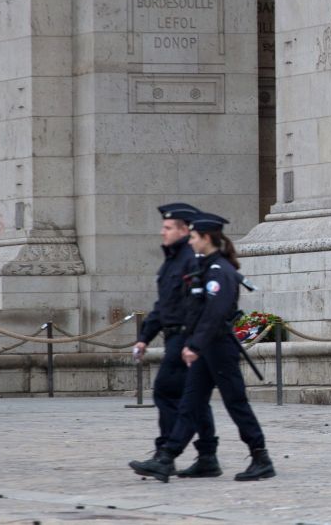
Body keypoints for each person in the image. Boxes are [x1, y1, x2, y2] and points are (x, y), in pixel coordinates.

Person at [129, 212, 275, 483]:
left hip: (218, 347)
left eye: (194, 237)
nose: (191, 242)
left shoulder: (219, 271)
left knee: (235, 403)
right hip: (206, 348)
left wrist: (194, 345)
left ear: (206, 238)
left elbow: (215, 313)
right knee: (190, 403)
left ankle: (260, 456)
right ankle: (167, 458)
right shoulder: (205, 268)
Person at [129, 203, 220, 478]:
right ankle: (207, 456)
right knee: (194, 399)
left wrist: (192, 342)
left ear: (183, 230)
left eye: (168, 228)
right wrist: (145, 337)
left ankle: (165, 454)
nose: (162, 232)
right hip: (175, 335)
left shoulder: (191, 260)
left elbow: (198, 304)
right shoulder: (172, 261)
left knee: (167, 392)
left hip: (185, 338)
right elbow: (163, 305)